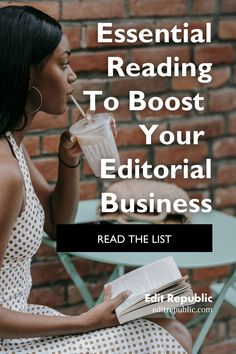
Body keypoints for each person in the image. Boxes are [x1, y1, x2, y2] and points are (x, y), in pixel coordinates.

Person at [0, 5, 192, 354]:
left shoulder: (13, 146)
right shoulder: (4, 173)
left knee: (166, 321)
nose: (72, 75)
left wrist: (68, 160)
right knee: (174, 335)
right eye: (62, 64)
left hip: (18, 322)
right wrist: (86, 321)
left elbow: (59, 226)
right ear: (28, 74)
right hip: (9, 342)